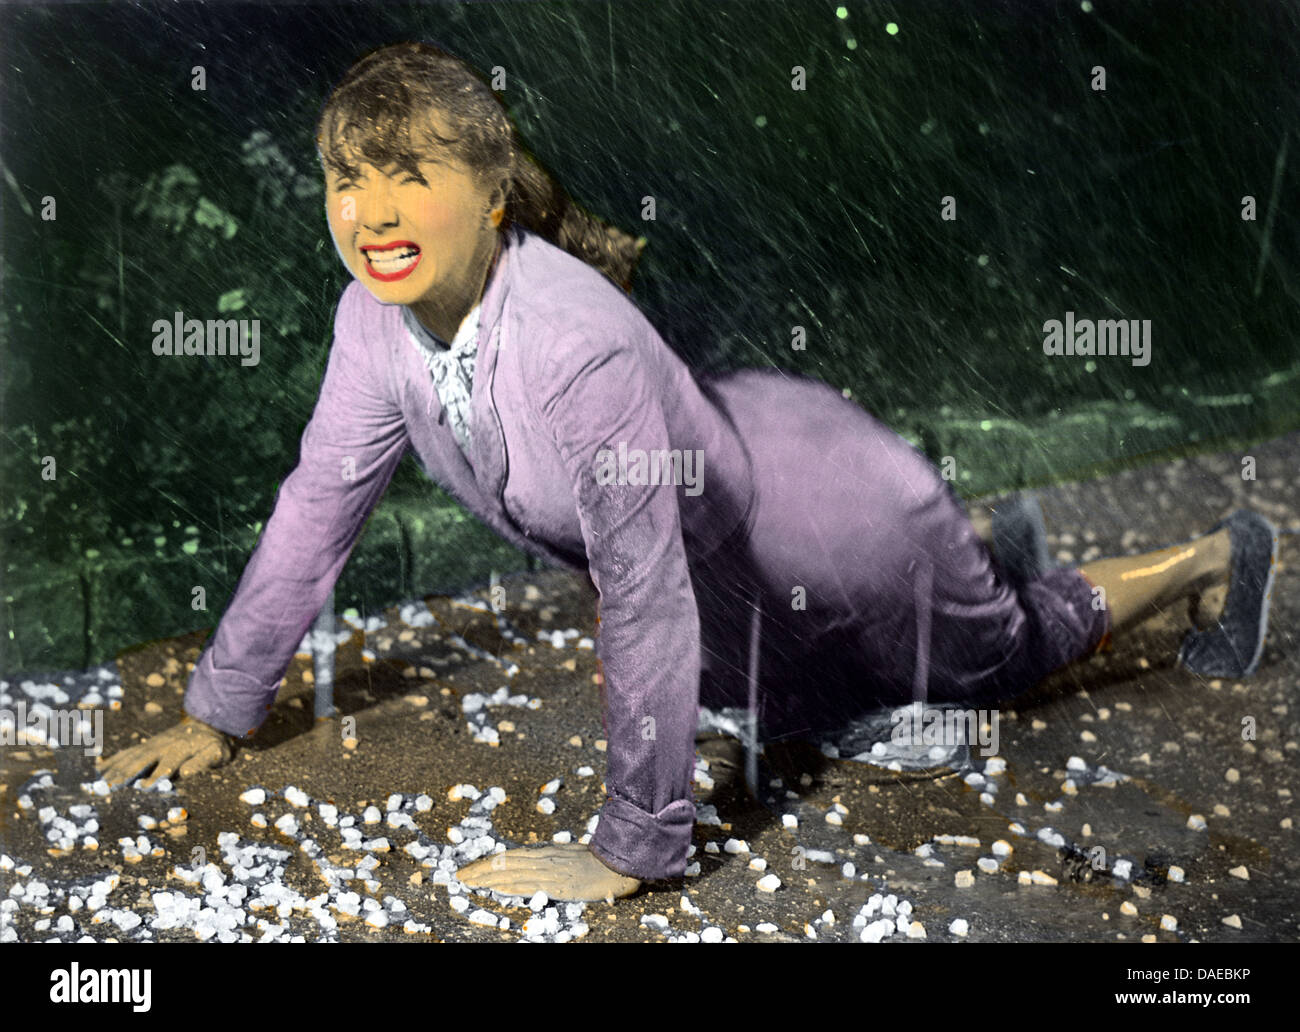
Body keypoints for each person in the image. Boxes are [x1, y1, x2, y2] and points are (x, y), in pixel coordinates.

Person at [97, 42, 1279, 903]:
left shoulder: (576, 340)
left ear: (492, 196)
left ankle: (1212, 555)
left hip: (833, 523)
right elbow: (318, 505)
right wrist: (222, 710)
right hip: (734, 540)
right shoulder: (372, 320)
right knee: (806, 709)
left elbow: (644, 587)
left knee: (1000, 665)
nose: (371, 211)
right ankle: (981, 555)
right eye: (346, 178)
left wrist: (633, 844)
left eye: (408, 174)